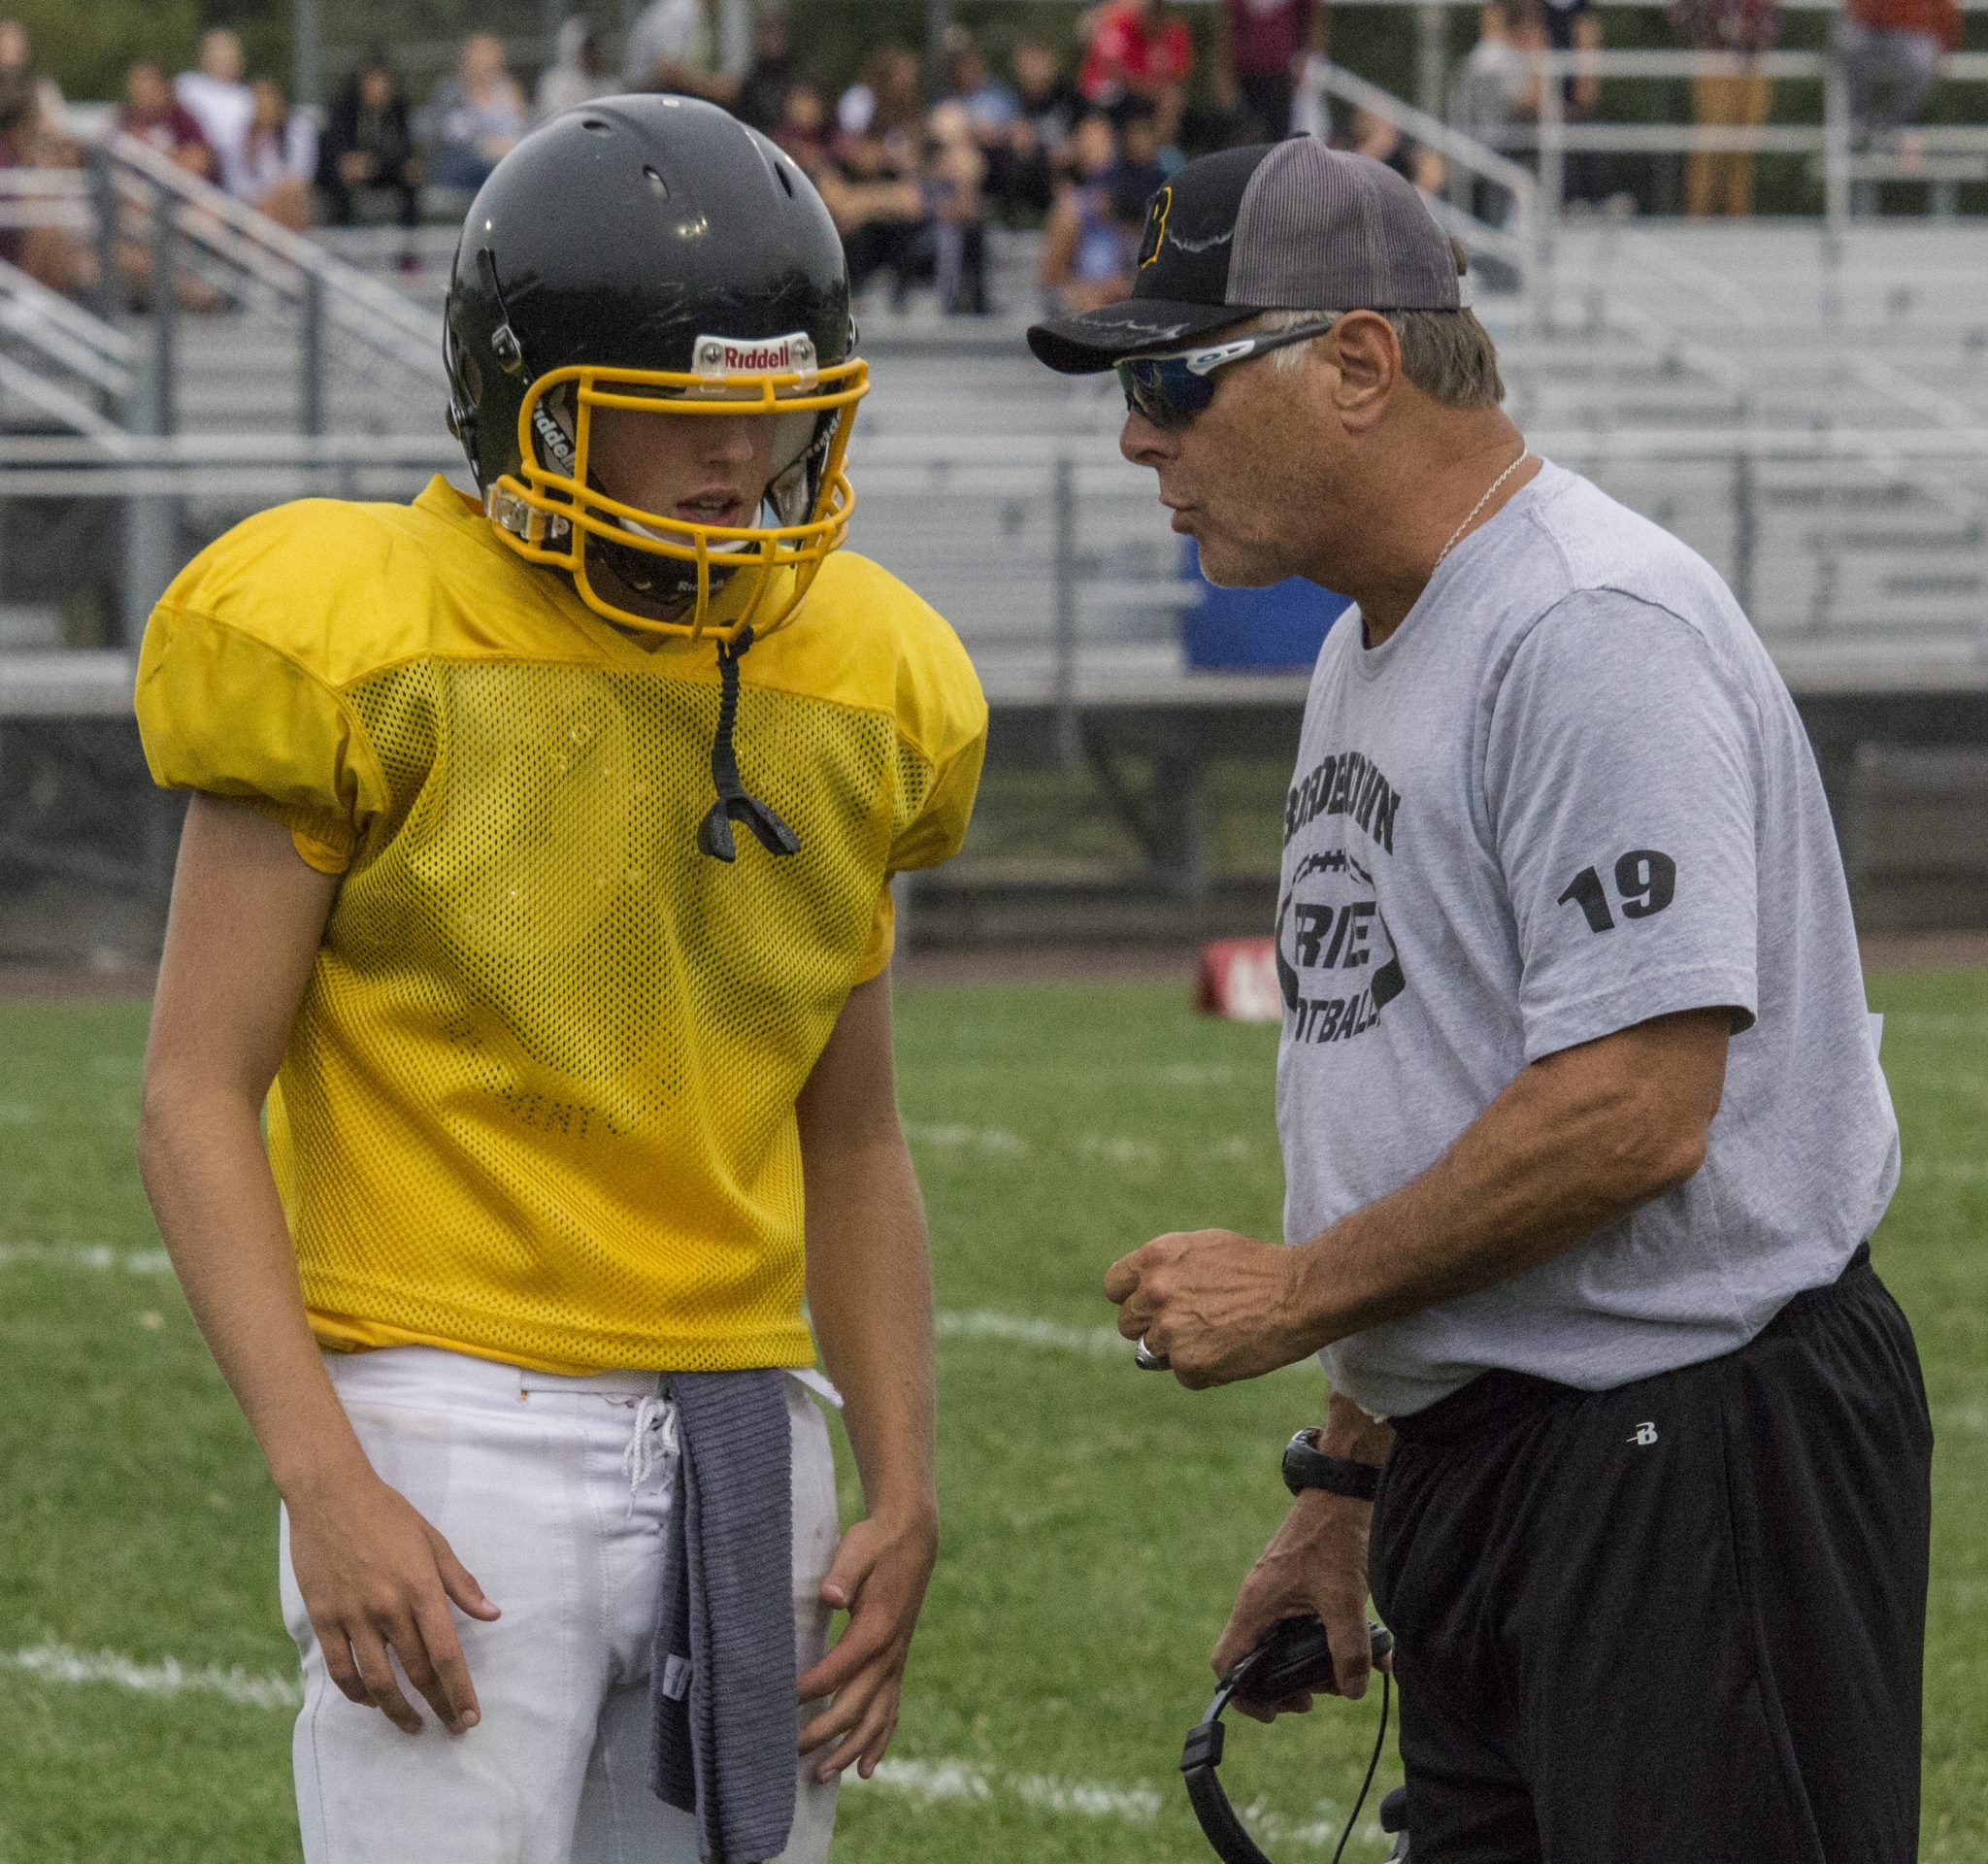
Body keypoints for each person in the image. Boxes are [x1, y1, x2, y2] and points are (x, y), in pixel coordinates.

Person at [1029, 138, 1930, 1864]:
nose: (1138, 434)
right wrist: (1350, 1477)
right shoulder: (1369, 638)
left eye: (1169, 379)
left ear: (1356, 365)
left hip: (1690, 1446)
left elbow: (1631, 1108)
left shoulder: (1585, 625)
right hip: (1514, 1455)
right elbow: (1423, 1074)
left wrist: (1295, 1292)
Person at [135, 96, 985, 1864]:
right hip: (449, 1418)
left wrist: (905, 1482)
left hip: (748, 1422)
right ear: (527, 405)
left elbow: (854, 1137)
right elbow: (192, 1090)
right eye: (676, 409)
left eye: (770, 409)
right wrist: (321, 1473)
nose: (733, 460)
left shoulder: (864, 671)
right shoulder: (362, 631)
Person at [1670, 0, 1783, 216]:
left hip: (1755, 58)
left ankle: (1738, 223)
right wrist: (1712, 33)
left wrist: (1753, 35)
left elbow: (1774, 13)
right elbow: (1678, 10)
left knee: (1745, 147)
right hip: (1716, 55)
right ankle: (1699, 220)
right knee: (1710, 144)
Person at [1834, 0, 1961, 146]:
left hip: (1913, 33)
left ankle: (1891, 126)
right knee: (1847, 42)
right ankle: (1860, 119)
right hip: (1870, 29)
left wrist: (1946, 48)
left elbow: (1947, 8)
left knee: (1923, 62)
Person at [316, 54, 419, 231]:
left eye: (382, 81)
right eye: (372, 81)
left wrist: (374, 163)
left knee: (410, 177)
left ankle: (408, 248)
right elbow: (335, 147)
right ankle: (345, 238)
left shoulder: (399, 109)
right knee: (341, 178)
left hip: (383, 168)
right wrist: (352, 162)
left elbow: (404, 150)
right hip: (349, 171)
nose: (377, 87)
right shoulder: (344, 107)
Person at [1078, 0, 1194, 146]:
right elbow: (1115, 71)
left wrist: (1153, 88)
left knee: (1172, 99)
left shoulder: (1175, 31)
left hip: (1152, 94)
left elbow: (1178, 75)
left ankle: (1160, 150)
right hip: (1122, 92)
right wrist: (1146, 87)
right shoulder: (1123, 27)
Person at [1214, 0, 1327, 143]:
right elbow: (1227, 26)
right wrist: (1222, 74)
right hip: (1244, 74)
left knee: (1281, 139)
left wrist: (1308, 61)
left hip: (1283, 75)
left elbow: (1316, 21)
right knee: (1243, 136)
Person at [430, 33, 527, 192]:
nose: (488, 62)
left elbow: (522, 128)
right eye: (482, 55)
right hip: (465, 166)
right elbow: (453, 137)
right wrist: (489, 147)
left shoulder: (510, 90)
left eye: (492, 54)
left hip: (508, 160)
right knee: (498, 171)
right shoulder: (451, 92)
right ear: (467, 61)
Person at [175, 26, 252, 198]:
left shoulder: (247, 98)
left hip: (237, 170)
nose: (222, 58)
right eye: (216, 52)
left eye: (227, 52)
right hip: (201, 163)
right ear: (204, 57)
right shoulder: (187, 86)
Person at [235, 78, 316, 231]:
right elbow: (236, 183)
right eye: (259, 103)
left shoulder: (299, 131)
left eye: (268, 102)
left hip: (286, 198)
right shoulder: (239, 137)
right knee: (270, 207)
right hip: (252, 201)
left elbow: (302, 174)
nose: (264, 108)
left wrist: (275, 193)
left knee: (291, 193)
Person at [119, 61, 215, 179]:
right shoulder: (122, 121)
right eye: (138, 90)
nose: (145, 98)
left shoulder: (181, 120)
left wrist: (161, 156)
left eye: (150, 90)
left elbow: (199, 161)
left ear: (163, 87)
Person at [535, 16, 613, 119]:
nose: (592, 55)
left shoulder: (608, 85)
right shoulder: (555, 85)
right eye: (587, 49)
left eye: (593, 48)